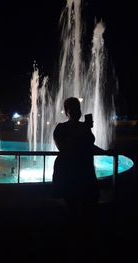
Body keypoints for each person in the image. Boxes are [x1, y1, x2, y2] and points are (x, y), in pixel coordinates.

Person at [52, 97, 107, 260]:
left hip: (85, 170)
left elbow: (89, 146)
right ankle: (72, 245)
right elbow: (64, 148)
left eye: (78, 107)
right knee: (73, 206)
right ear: (67, 111)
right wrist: (82, 130)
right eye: (73, 107)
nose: (77, 110)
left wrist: (104, 152)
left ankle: (84, 243)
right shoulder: (61, 128)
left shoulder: (84, 127)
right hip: (70, 171)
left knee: (89, 204)